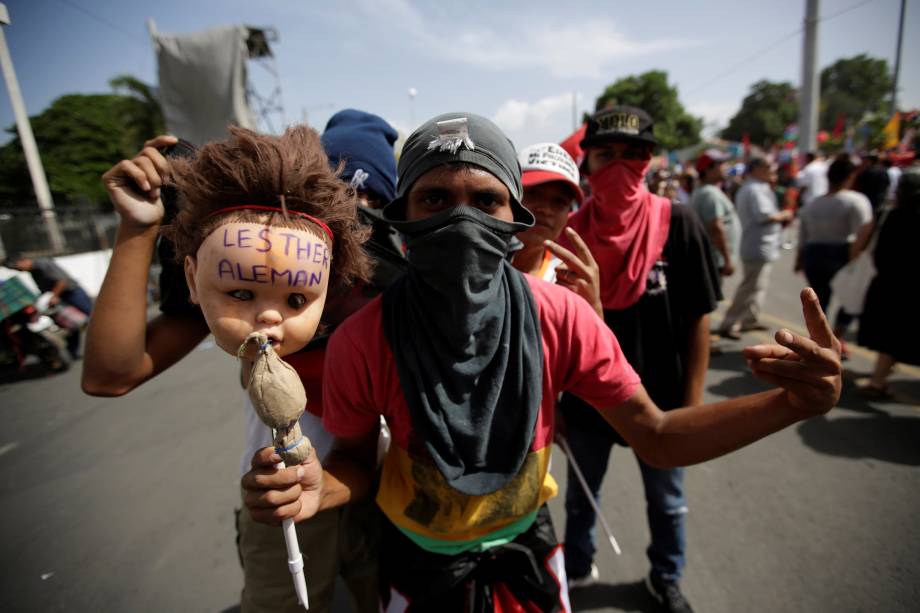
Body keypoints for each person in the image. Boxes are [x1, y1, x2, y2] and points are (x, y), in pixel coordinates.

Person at [242, 112, 842, 612]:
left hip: (528, 551)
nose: (461, 217)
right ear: (402, 218)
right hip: (417, 564)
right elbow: (352, 459)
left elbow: (656, 437)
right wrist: (321, 487)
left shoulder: (563, 317)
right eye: (435, 198)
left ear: (513, 223)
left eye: (485, 200)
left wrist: (790, 404)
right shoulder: (363, 340)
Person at [83, 111, 404, 613]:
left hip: (379, 496)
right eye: (342, 197)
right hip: (279, 504)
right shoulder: (246, 282)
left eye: (371, 204)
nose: (271, 314)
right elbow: (112, 373)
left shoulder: (393, 300)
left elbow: (363, 453)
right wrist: (138, 228)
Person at [555, 106, 720, 612]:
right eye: (607, 156)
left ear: (650, 162)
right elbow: (555, 325)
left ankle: (665, 576)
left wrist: (691, 406)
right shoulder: (571, 234)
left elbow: (698, 322)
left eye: (635, 155)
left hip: (664, 400)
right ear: (588, 165)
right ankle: (576, 570)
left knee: (668, 502)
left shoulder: (680, 224)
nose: (621, 169)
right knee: (583, 497)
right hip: (588, 400)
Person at [510, 142, 601, 315]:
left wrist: (593, 308)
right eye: (532, 194)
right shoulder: (476, 263)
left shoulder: (571, 281)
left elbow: (594, 343)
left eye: (559, 202)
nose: (545, 209)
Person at [795, 155, 872, 358]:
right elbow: (864, 231)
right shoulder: (855, 201)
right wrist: (855, 257)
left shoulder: (812, 204)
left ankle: (823, 340)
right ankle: (835, 336)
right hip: (841, 253)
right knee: (851, 299)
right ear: (850, 176)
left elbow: (803, 236)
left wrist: (799, 258)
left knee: (820, 301)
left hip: (814, 254)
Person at [857, 166, 920, 397]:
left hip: (888, 283)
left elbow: (868, 247)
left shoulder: (887, 215)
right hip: (908, 286)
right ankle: (878, 380)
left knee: (890, 336)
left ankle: (878, 379)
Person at [718, 158, 793, 340]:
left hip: (762, 243)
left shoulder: (758, 187)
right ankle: (729, 322)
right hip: (757, 244)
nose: (771, 170)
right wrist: (784, 214)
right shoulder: (754, 189)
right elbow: (764, 215)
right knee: (750, 285)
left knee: (758, 285)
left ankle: (749, 318)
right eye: (767, 167)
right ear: (756, 169)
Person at [12, 255, 93, 359]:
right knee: (69, 324)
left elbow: (62, 281)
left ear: (24, 261)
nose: (19, 270)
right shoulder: (33, 272)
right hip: (60, 298)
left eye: (18, 267)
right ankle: (74, 352)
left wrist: (54, 296)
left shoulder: (43, 264)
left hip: (72, 293)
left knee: (92, 318)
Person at [688, 149, 739, 284]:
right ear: (708, 169)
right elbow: (716, 228)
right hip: (714, 261)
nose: (726, 167)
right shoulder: (709, 193)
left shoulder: (707, 190)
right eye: (721, 163)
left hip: (711, 260)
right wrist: (728, 260)